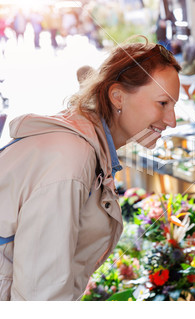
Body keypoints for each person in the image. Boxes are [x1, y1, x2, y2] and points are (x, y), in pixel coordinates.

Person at [0, 36, 181, 300]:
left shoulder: (88, 148)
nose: (172, 121)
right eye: (163, 103)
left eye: (174, 106)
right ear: (117, 96)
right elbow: (39, 296)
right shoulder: (72, 159)